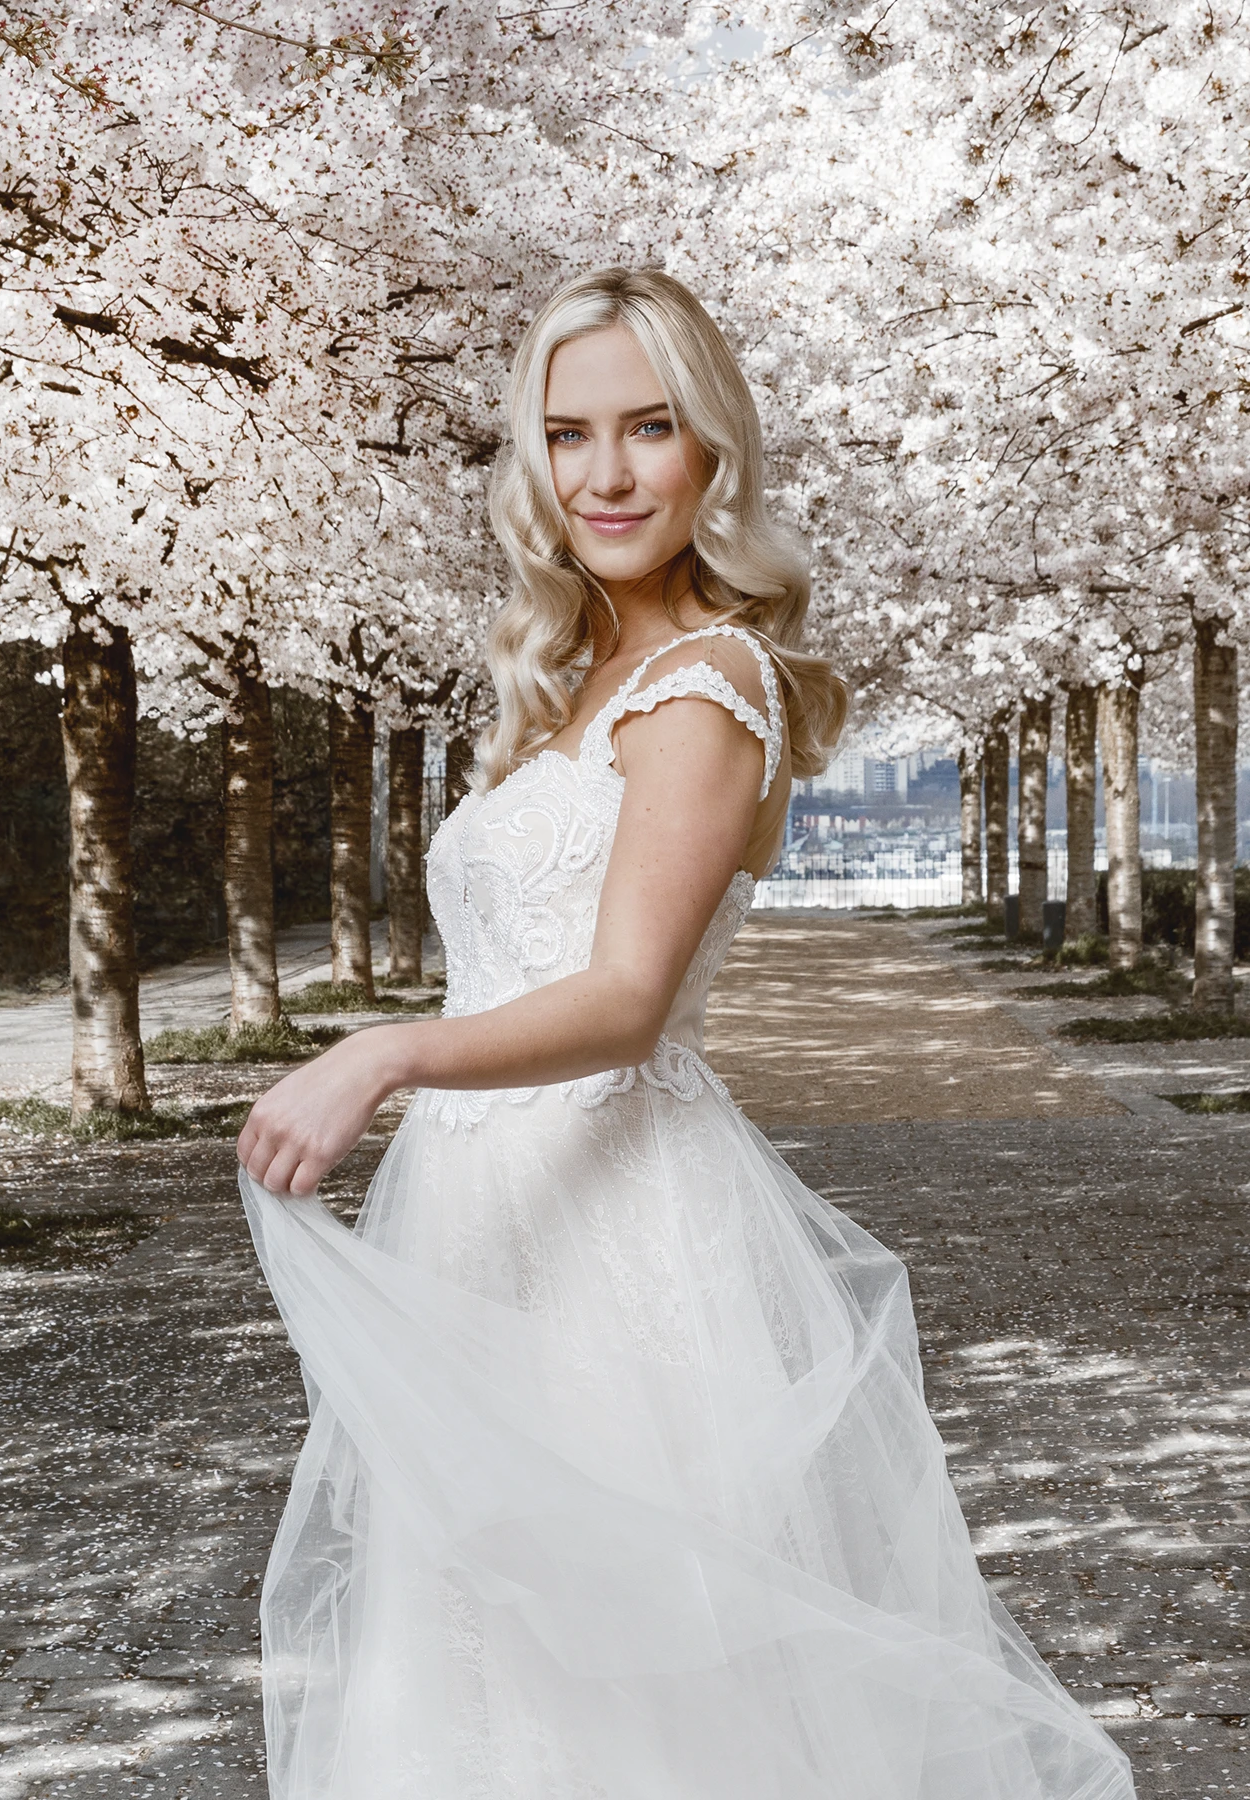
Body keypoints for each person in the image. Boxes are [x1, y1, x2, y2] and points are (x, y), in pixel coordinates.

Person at [237, 268, 1135, 1800]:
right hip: (479, 1225)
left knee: (636, 1679)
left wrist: (380, 1051)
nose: (605, 474)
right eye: (568, 433)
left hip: (618, 1239)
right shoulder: (570, 684)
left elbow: (624, 999)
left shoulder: (712, 683)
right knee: (477, 1656)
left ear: (712, 450)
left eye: (649, 428)